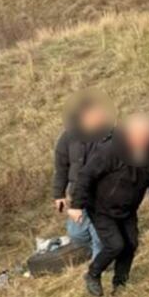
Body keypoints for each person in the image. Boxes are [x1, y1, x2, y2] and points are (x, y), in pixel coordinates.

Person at [72, 113, 149, 297]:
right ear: (130, 135)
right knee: (115, 245)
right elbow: (86, 176)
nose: (145, 141)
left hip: (127, 209)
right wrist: (77, 205)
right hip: (101, 208)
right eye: (141, 137)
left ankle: (121, 284)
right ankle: (93, 274)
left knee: (131, 244)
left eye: (148, 137)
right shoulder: (109, 151)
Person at [52, 95, 112, 261]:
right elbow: (61, 168)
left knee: (98, 229)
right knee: (76, 233)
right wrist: (58, 194)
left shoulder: (109, 135)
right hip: (78, 192)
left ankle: (100, 263)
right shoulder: (68, 137)